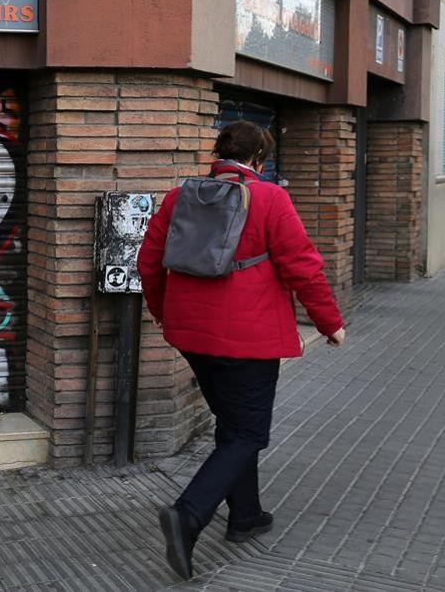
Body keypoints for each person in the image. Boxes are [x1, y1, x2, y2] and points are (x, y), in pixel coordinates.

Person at [136, 121, 346, 580]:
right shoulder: (271, 198)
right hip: (248, 341)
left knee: (233, 425)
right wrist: (329, 322)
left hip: (191, 335)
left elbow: (148, 261)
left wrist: (162, 313)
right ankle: (188, 516)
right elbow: (303, 268)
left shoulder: (179, 197)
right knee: (249, 433)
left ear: (218, 154)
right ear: (258, 160)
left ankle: (245, 515)